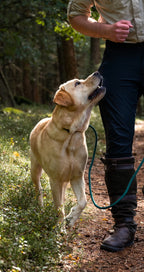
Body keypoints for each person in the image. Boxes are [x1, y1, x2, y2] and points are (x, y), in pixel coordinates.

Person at [67, 0, 144, 252]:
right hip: (120, 57)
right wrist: (106, 30)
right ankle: (124, 224)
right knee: (119, 139)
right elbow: (76, 15)